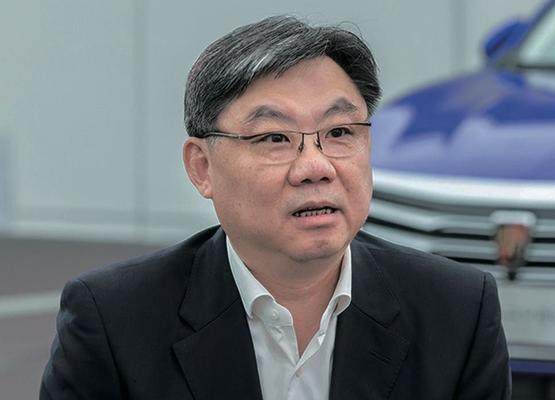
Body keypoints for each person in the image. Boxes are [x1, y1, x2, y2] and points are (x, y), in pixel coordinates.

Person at [40, 15, 511, 400]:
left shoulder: (456, 310)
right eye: (274, 138)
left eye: (339, 132)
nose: (315, 167)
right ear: (202, 167)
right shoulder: (115, 319)